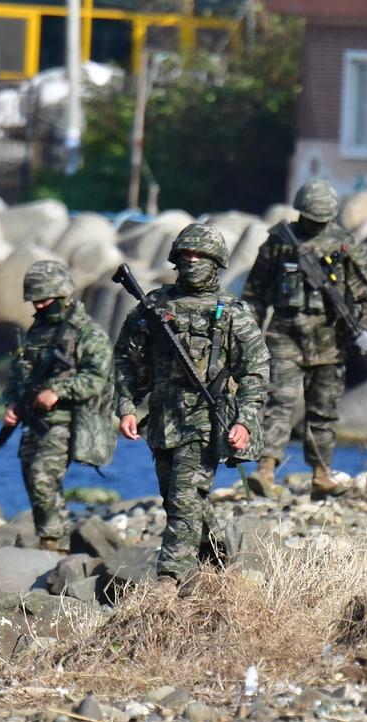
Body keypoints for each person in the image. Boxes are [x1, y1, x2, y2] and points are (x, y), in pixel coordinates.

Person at [114, 224, 270, 582]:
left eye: (199, 255)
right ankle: (218, 561)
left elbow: (255, 370)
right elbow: (125, 358)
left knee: (184, 498)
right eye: (185, 255)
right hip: (163, 420)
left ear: (215, 261)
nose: (191, 261)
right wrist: (126, 406)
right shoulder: (154, 305)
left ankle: (169, 582)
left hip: (206, 420)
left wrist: (244, 420)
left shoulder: (232, 312)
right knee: (178, 501)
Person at [242, 179, 367, 497]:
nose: (316, 225)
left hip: (330, 339)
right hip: (285, 335)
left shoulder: (345, 246)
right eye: (311, 218)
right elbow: (255, 295)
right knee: (279, 401)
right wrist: (248, 337)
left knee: (324, 409)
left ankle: (322, 474)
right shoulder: (279, 242)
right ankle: (265, 470)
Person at [2, 260, 114, 552]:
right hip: (34, 419)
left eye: (45, 300)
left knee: (43, 476)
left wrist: (59, 391)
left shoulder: (87, 332)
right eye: (35, 301)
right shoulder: (36, 332)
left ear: (63, 294)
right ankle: (53, 537)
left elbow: (97, 377)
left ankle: (55, 544)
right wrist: (12, 402)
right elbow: (19, 372)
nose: (39, 306)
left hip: (67, 420)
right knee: (32, 477)